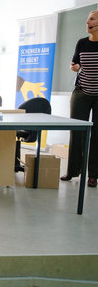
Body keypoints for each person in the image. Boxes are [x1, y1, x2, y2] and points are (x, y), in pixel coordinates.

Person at [61, 11, 98, 188]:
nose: (87, 21)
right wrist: (75, 67)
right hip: (81, 92)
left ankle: (94, 175)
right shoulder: (82, 43)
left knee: (97, 135)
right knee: (77, 132)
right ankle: (73, 171)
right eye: (88, 18)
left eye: (92, 19)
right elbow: (74, 64)